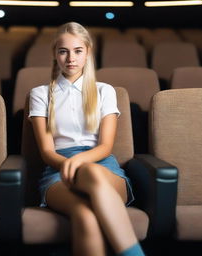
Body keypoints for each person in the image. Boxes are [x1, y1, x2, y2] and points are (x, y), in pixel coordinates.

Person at [29, 22, 145, 256]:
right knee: (85, 216)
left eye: (78, 51)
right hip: (58, 172)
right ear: (55, 54)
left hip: (103, 167)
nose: (70, 58)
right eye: (63, 51)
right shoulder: (40, 94)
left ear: (88, 53)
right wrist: (69, 164)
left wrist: (80, 161)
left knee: (91, 172)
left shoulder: (105, 90)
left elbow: (105, 146)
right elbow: (47, 152)